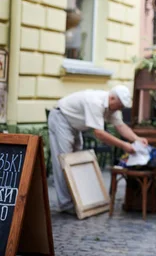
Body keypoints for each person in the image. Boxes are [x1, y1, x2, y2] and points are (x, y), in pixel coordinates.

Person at [47, 85, 148, 213]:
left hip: (74, 124)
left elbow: (121, 126)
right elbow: (99, 133)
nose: (121, 109)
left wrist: (137, 139)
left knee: (75, 163)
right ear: (111, 98)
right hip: (61, 119)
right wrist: (124, 145)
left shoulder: (113, 107)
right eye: (120, 105)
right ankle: (66, 204)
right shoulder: (95, 102)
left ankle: (78, 201)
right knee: (64, 161)